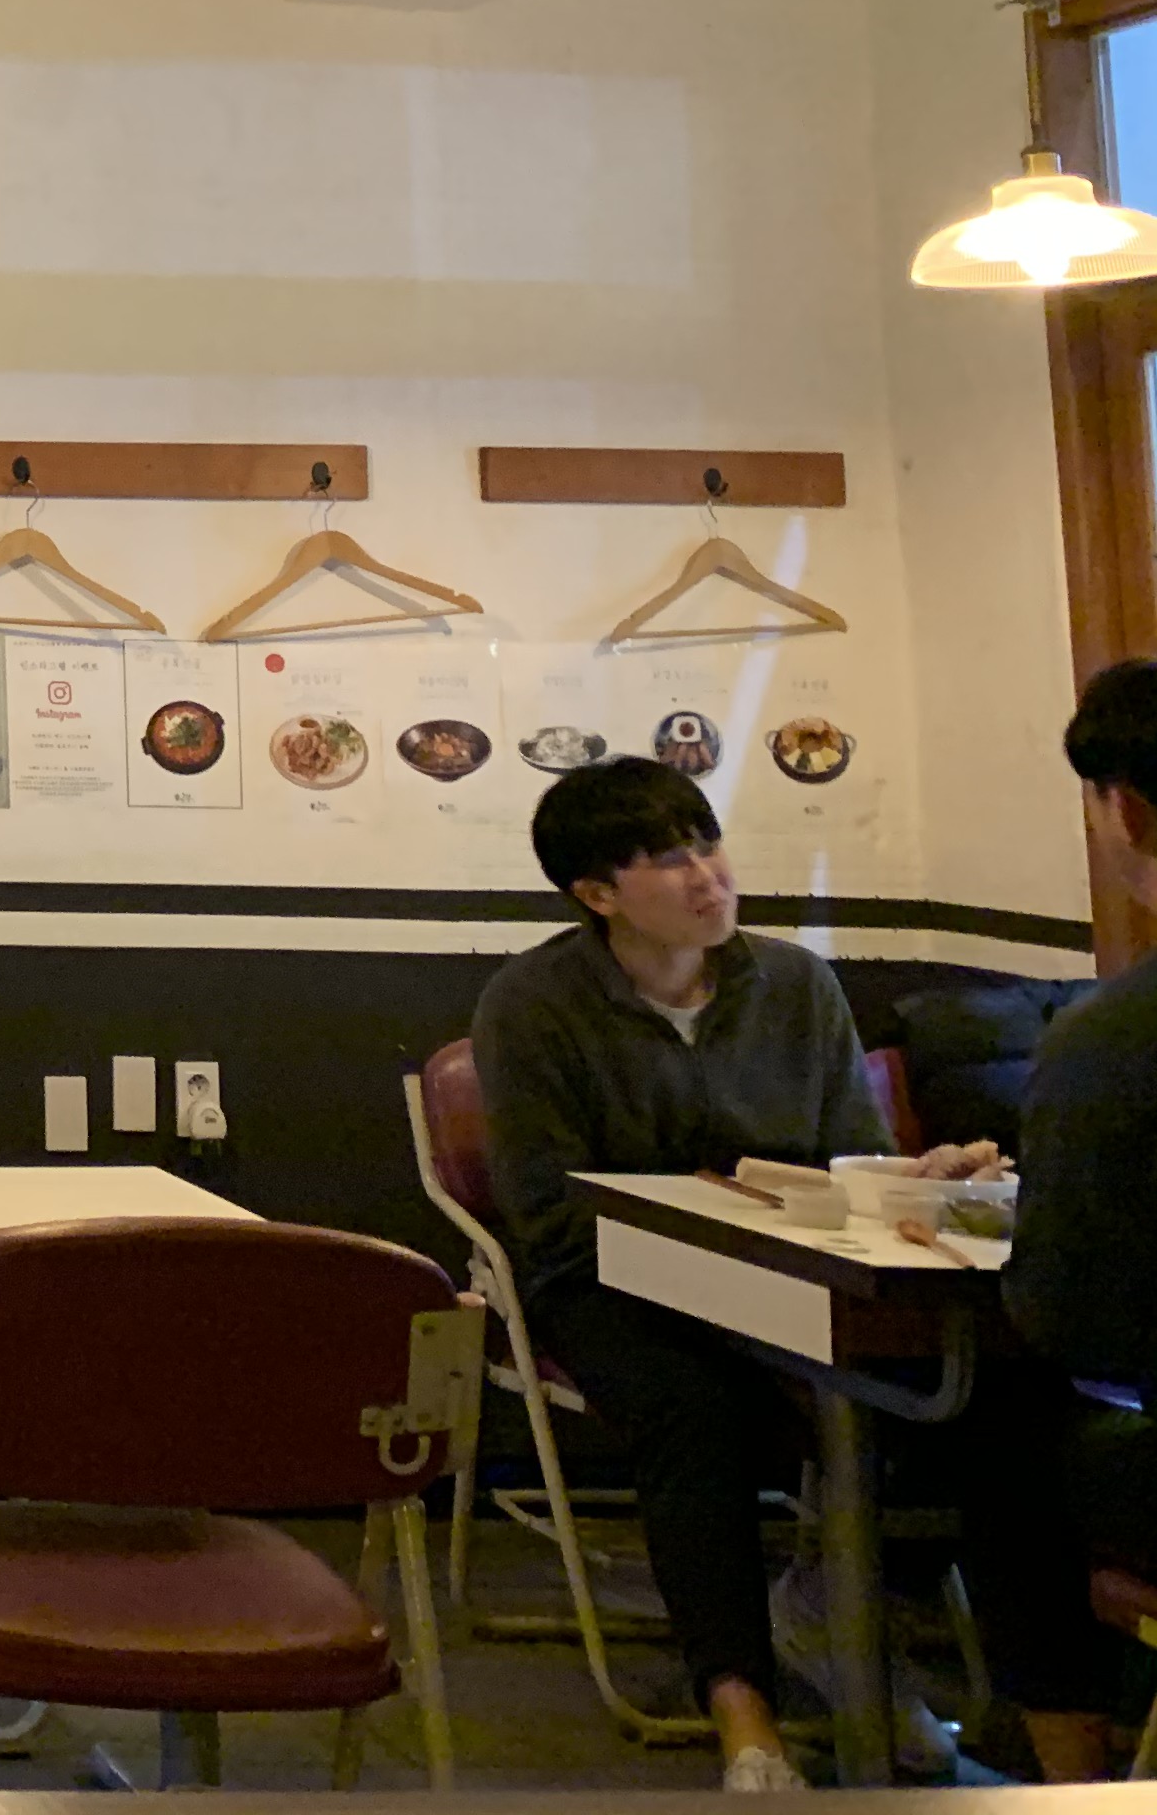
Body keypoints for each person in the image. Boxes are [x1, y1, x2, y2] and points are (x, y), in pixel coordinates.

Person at [475, 757, 1114, 1788]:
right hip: (605, 1278)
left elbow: (849, 1158)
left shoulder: (794, 984)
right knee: (698, 1409)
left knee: (998, 1397)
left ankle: (1057, 1753)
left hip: (790, 1271)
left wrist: (910, 1179)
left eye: (708, 844)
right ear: (597, 894)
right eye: (668, 860)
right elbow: (548, 1210)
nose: (707, 876)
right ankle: (746, 1716)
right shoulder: (533, 1003)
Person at [1011, 662, 1157, 1617]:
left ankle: (1054, 1723)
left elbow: (1072, 1319)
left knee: (1004, 1427)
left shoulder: (1110, 1037)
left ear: (1126, 810)